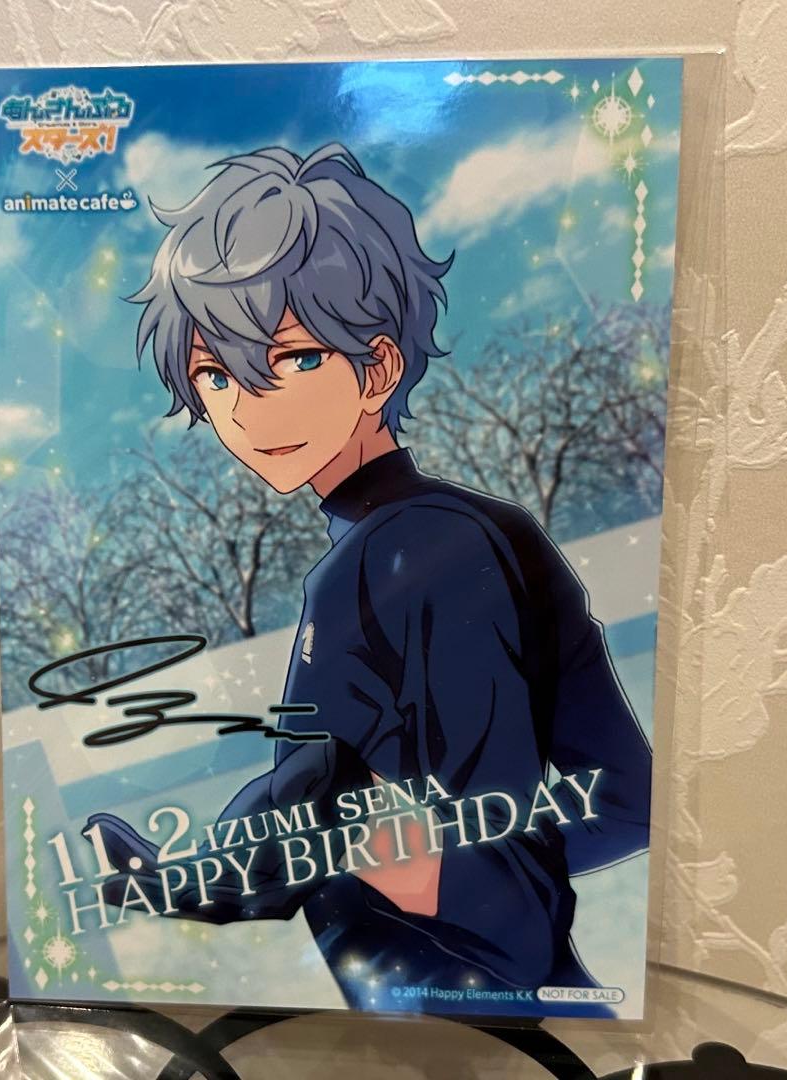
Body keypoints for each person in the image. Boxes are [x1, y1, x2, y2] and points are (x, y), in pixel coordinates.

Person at [87, 143, 652, 1014]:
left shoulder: (409, 552)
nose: (245, 408)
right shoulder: (470, 531)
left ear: (379, 367)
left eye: (291, 359)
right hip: (489, 1010)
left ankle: (203, 879)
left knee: (321, 783)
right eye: (215, 374)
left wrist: (393, 850)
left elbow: (491, 863)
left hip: (455, 1008)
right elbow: (624, 799)